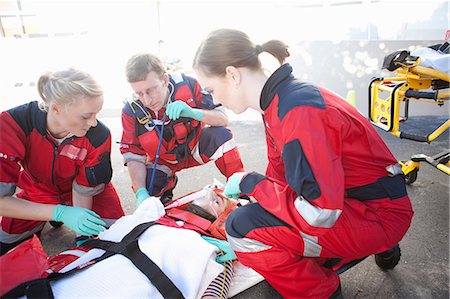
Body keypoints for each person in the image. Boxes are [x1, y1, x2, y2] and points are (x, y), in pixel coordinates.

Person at [192, 29, 414, 298]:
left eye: (212, 89)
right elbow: (282, 176)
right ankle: (370, 247)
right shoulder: (280, 101)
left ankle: (322, 292)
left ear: (232, 75)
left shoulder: (297, 112)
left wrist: (252, 185)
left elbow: (318, 214)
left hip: (376, 214)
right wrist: (260, 196)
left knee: (243, 229)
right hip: (367, 202)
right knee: (259, 222)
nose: (214, 99)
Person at [1, 185, 238, 299]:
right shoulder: (154, 216)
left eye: (217, 202)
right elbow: (150, 201)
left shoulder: (206, 248)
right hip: (56, 285)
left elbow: (215, 290)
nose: (207, 195)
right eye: (208, 192)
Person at [0, 68, 125, 255]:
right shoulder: (11, 124)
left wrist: (83, 234)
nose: (93, 123)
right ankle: (53, 217)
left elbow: (85, 188)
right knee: (5, 246)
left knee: (119, 237)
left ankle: (58, 217)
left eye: (96, 114)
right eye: (86, 116)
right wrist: (59, 212)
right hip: (38, 191)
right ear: (56, 108)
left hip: (87, 193)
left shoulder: (99, 134)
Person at [120, 53, 244, 208]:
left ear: (165, 80)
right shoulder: (131, 110)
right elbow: (133, 155)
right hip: (164, 160)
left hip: (195, 149)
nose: (147, 100)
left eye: (151, 90)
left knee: (222, 136)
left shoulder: (189, 84)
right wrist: (141, 193)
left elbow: (222, 119)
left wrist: (194, 113)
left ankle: (240, 188)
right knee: (147, 185)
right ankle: (166, 188)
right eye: (139, 93)